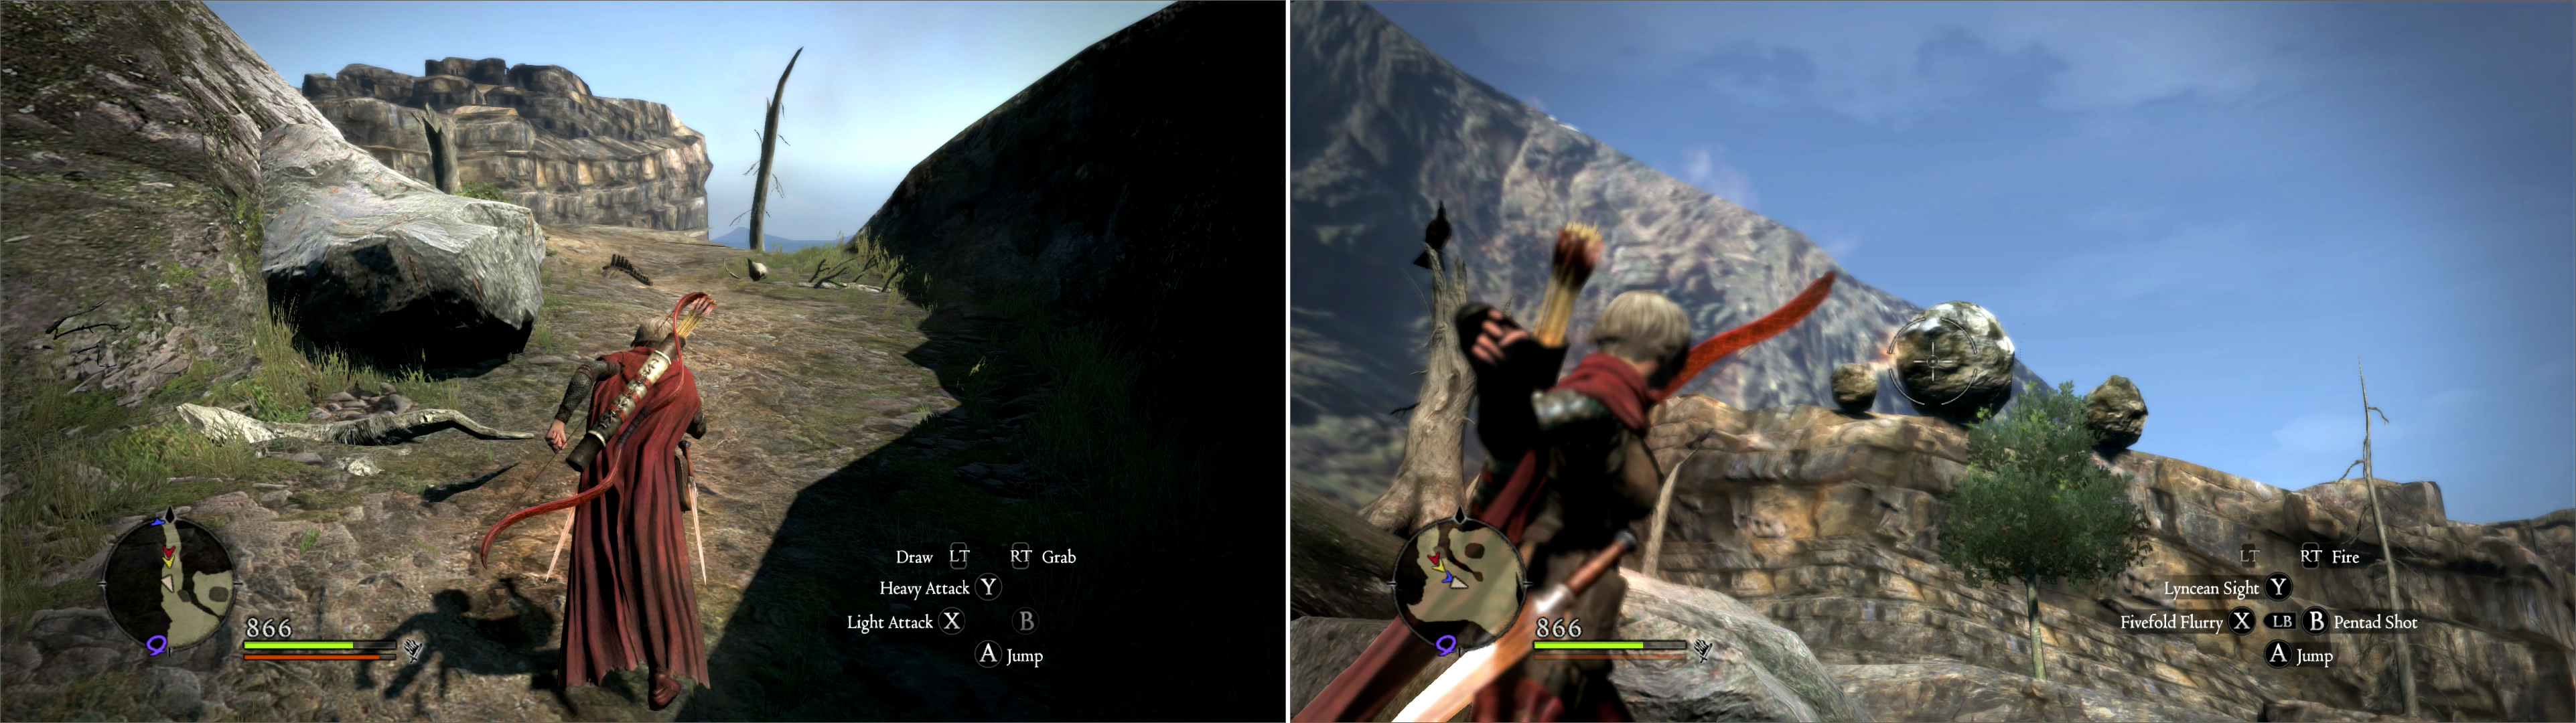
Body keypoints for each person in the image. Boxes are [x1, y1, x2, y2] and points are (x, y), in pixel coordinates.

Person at [1459, 291, 1689, 722]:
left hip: (1577, 584)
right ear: (1663, 352)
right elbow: (1517, 428)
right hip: (1558, 579)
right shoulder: (1597, 401)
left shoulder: (1611, 404)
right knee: (1528, 705)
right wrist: (1496, 380)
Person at [530, 317, 710, 709]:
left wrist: (560, 419)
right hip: (653, 489)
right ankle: (662, 672)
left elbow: (584, 373)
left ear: (638, 342)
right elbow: (700, 427)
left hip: (601, 482)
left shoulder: (617, 363)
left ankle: (595, 653)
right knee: (654, 573)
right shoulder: (685, 379)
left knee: (603, 565)